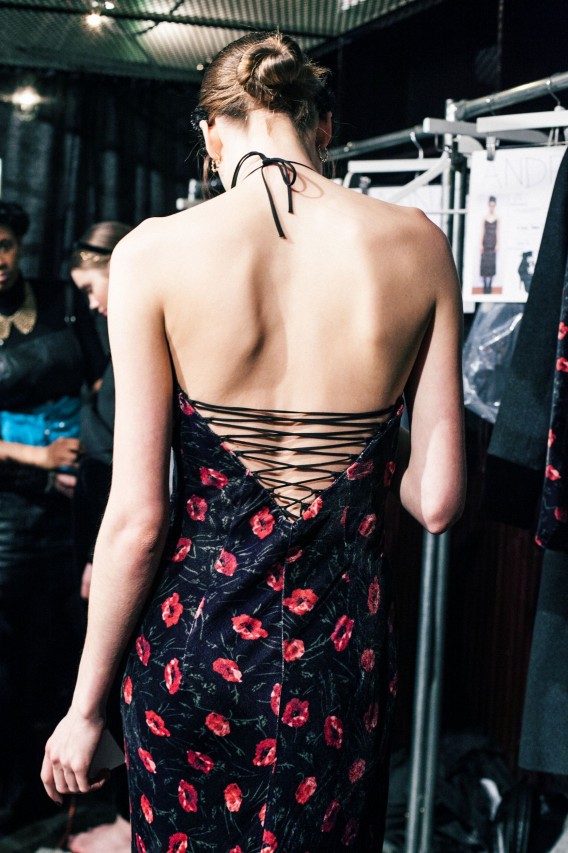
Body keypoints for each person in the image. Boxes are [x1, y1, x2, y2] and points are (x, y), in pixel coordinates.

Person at [42, 31, 466, 852]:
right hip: (340, 663)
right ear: (324, 126)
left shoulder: (151, 253)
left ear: (210, 133)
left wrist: (85, 709)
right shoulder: (418, 242)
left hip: (194, 655)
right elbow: (437, 499)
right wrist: (360, 440)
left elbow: (137, 520)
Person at [0, 201, 105, 835]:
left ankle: (62, 795)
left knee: (65, 649)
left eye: (5, 245)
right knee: (9, 658)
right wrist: (34, 455)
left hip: (73, 504)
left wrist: (89, 445)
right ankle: (10, 798)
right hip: (9, 512)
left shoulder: (62, 299)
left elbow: (99, 378)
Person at [68, 221, 133, 853]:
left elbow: (125, 476)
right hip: (100, 530)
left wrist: (97, 556)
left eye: (93, 287)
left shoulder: (140, 342)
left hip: (115, 538)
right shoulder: (121, 344)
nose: (92, 304)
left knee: (117, 680)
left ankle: (128, 822)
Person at [480, 195, 499, 294]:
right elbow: (482, 231)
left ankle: (490, 285)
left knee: (491, 264)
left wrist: (497, 244)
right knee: (484, 264)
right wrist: (480, 244)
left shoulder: (497, 218)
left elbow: (498, 231)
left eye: (493, 205)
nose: (492, 207)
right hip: (485, 242)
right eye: (490, 205)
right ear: (488, 205)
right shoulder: (484, 218)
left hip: (493, 243)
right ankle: (485, 285)